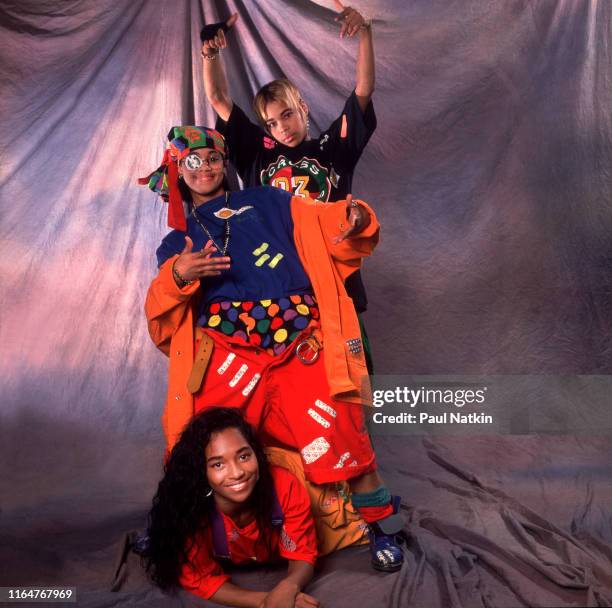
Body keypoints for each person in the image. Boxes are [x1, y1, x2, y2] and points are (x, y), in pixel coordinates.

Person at [141, 125, 403, 572]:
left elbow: (323, 220)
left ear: (224, 164)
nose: (203, 168)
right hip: (228, 352)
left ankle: (379, 526)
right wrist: (180, 274)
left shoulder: (268, 200)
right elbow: (164, 309)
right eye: (191, 162)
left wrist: (352, 217)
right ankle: (173, 525)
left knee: (342, 431)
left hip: (300, 340)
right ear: (178, 172)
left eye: (211, 159)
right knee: (194, 441)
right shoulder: (176, 240)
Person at [201, 2, 376, 370]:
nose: (282, 127)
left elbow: (362, 91)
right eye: (272, 123)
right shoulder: (257, 156)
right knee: (292, 384)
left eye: (287, 115)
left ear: (303, 109)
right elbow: (218, 98)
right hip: (279, 289)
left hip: (335, 282)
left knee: (353, 380)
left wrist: (366, 34)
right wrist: (210, 53)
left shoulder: (333, 149)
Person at [146, 407, 320, 607]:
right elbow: (199, 578)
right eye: (218, 464)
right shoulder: (190, 511)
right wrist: (265, 601)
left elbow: (304, 553)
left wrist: (288, 586)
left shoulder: (283, 485)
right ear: (201, 471)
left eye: (244, 456)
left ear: (256, 454)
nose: (237, 473)